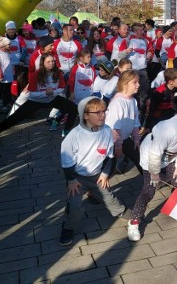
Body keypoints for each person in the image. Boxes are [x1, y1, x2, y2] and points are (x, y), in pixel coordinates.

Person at [59, 97, 129, 246]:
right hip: (77, 178)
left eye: (104, 111)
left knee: (108, 197)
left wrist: (104, 174)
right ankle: (68, 227)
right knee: (76, 206)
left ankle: (122, 211)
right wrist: (71, 180)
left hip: (96, 176)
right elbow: (66, 163)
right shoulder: (74, 136)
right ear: (85, 115)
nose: (102, 115)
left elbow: (109, 156)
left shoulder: (106, 131)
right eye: (97, 112)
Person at [0, 52, 78, 137]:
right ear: (43, 63)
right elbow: (32, 94)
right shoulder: (36, 74)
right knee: (13, 119)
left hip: (52, 99)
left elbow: (62, 88)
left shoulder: (58, 73)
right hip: (36, 101)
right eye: (48, 62)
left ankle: (66, 130)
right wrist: (45, 93)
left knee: (73, 108)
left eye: (53, 61)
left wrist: (53, 92)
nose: (51, 63)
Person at [106, 70, 142, 174]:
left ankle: (149, 182)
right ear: (125, 84)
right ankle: (97, 187)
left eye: (138, 82)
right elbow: (114, 127)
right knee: (109, 168)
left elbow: (135, 121)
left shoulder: (133, 100)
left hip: (124, 139)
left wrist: (136, 138)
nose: (138, 85)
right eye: (134, 82)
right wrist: (117, 145)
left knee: (140, 160)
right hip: (112, 142)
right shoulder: (118, 102)